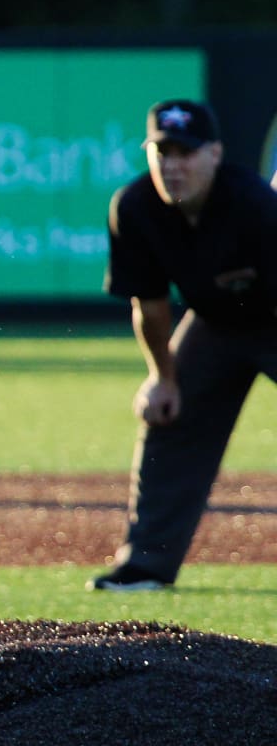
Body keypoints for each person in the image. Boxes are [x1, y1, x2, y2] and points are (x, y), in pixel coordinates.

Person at [93, 98, 277, 591]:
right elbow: (150, 307)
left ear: (215, 154)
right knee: (169, 419)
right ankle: (145, 566)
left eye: (186, 153)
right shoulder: (134, 208)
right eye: (162, 152)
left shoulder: (255, 204)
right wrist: (163, 378)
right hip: (216, 323)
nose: (173, 166)